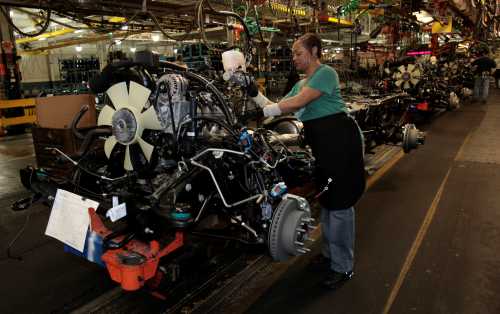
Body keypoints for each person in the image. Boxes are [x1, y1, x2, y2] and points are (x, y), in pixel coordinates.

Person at [248, 33, 366, 290]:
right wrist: (254, 94)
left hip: (342, 145)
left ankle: (342, 266)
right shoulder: (301, 83)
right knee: (327, 202)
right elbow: (279, 105)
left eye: (298, 53)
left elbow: (299, 103)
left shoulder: (326, 73)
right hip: (323, 149)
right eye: (293, 54)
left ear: (314, 51)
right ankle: (329, 256)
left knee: (340, 206)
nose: (294, 58)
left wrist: (268, 110)